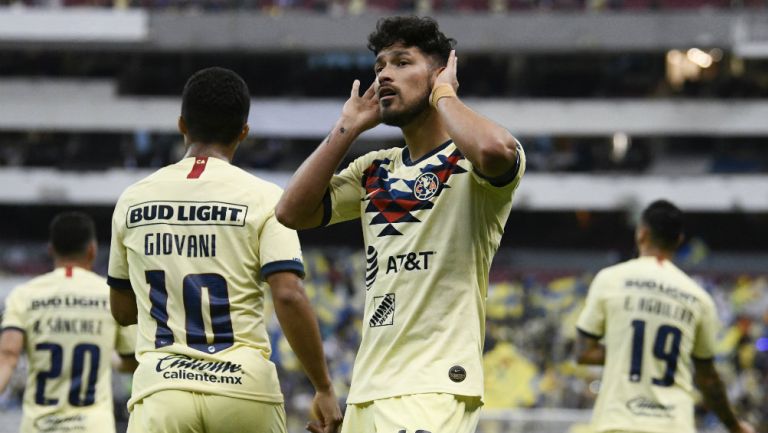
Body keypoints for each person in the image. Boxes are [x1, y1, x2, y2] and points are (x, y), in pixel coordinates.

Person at [276, 16, 525, 433]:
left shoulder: (470, 161)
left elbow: (495, 150)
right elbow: (291, 212)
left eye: (402, 62)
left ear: (440, 71)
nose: (385, 74)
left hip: (433, 387)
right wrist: (349, 127)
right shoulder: (374, 169)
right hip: (368, 389)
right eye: (379, 67)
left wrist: (443, 94)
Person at [107, 67, 342, 433]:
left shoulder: (133, 199)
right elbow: (289, 295)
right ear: (243, 132)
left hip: (162, 389)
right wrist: (324, 387)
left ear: (182, 125)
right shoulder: (265, 198)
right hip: (244, 387)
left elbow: (122, 311)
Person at [575, 200, 754, 433]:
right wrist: (735, 426)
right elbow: (708, 379)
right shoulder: (698, 298)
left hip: (618, 422)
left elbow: (583, 353)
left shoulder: (610, 279)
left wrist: (625, 350)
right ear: (678, 241)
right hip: (673, 425)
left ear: (641, 234)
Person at [0, 211, 137, 433]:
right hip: (93, 427)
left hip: (38, 426)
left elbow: (8, 356)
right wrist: (110, 358)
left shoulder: (24, 295)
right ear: (92, 250)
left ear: (51, 250)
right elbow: (131, 362)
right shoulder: (109, 294)